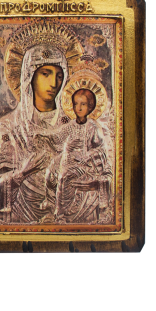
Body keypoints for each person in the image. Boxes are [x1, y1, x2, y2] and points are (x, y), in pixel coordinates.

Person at [0, 42, 73, 224]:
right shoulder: (7, 129)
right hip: (20, 219)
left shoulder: (73, 125)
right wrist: (22, 173)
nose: (54, 83)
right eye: (45, 74)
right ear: (29, 76)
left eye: (59, 76)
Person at [43, 89, 113, 224]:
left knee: (64, 176)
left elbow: (100, 150)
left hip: (86, 165)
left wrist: (86, 157)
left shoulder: (93, 127)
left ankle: (60, 212)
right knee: (50, 172)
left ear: (90, 107)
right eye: (76, 104)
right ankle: (50, 202)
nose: (79, 108)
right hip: (68, 160)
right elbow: (56, 138)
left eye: (83, 104)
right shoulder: (71, 125)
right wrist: (42, 135)